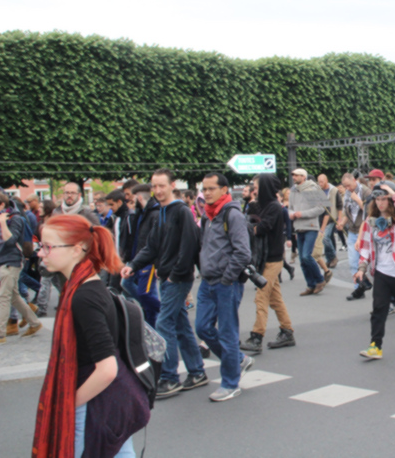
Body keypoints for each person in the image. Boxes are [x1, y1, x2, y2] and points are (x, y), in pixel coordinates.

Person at [32, 215, 150, 457]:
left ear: (77, 250)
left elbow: (107, 369)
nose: (40, 253)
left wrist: (68, 403)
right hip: (115, 399)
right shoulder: (89, 286)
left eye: (47, 246)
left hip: (96, 404)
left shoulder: (82, 297)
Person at [120, 168, 206, 400]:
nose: (157, 190)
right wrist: (134, 265)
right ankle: (197, 372)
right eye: (154, 186)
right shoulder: (162, 212)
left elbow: (190, 245)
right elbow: (152, 246)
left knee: (163, 324)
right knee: (179, 325)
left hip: (176, 278)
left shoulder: (181, 212)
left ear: (172, 185)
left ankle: (169, 377)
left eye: (161, 186)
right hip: (168, 277)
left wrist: (175, 275)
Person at [195, 172, 254, 401]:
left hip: (225, 283)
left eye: (211, 188)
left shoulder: (232, 214)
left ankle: (230, 383)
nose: (207, 192)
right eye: (204, 189)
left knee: (228, 333)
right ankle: (238, 360)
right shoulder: (207, 215)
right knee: (202, 328)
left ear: (224, 190)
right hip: (208, 281)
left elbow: (243, 252)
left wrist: (227, 278)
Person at [357, 182, 395, 359]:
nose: (380, 202)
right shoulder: (371, 222)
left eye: (384, 198)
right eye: (377, 199)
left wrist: (394, 194)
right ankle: (375, 346)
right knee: (378, 309)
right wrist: (362, 268)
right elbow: (365, 247)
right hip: (382, 272)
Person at [242, 173, 296, 352]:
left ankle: (257, 337)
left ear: (264, 188)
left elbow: (262, 228)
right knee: (275, 299)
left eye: (256, 188)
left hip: (272, 258)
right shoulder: (262, 205)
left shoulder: (273, 206)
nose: (253, 191)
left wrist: (250, 228)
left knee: (261, 297)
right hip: (266, 258)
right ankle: (287, 331)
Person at [0, 192, 43, 343]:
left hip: (12, 261)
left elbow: (10, 242)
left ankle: (0, 334)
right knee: (14, 297)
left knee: (3, 297)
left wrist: (3, 223)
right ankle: (35, 322)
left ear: (2, 205)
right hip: (3, 261)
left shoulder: (15, 219)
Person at [121, 184, 161, 327]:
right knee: (127, 283)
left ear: (138, 197)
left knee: (146, 294)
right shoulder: (140, 213)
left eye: (131, 197)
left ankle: (162, 313)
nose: (128, 201)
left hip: (148, 261)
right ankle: (152, 314)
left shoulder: (154, 213)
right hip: (138, 259)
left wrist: (156, 263)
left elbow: (156, 242)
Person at [288, 169, 328, 296]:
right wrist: (291, 214)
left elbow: (321, 208)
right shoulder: (293, 190)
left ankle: (320, 280)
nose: (293, 177)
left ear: (303, 177)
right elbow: (290, 208)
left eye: (296, 175)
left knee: (306, 255)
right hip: (298, 227)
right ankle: (310, 285)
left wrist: (302, 214)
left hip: (311, 226)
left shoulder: (311, 189)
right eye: (293, 175)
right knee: (302, 259)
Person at [338, 173, 373, 300]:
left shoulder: (365, 191)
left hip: (364, 230)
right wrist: (342, 222)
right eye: (345, 186)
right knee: (353, 262)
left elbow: (370, 212)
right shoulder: (347, 193)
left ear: (354, 180)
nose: (347, 188)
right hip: (352, 230)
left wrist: (358, 200)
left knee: (367, 261)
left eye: (348, 185)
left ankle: (369, 285)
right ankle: (359, 289)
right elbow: (348, 212)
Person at [317, 174, 341, 269]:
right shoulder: (318, 191)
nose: (320, 184)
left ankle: (333, 256)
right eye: (318, 181)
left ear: (326, 180)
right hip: (321, 219)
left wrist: (339, 219)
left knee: (325, 238)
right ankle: (329, 259)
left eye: (322, 181)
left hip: (331, 218)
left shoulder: (334, 190)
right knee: (327, 239)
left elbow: (340, 205)